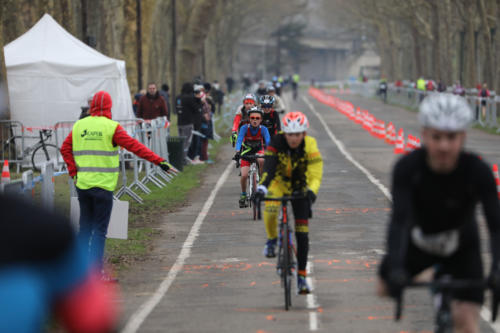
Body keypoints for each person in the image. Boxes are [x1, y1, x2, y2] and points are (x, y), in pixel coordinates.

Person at [377, 93, 500, 332]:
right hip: (420, 241)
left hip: (462, 246)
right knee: (382, 287)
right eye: (437, 137)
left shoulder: (479, 171)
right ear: (424, 134)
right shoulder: (407, 168)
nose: (444, 145)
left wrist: (497, 269)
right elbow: (399, 222)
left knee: (465, 321)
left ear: (463, 136)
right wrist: (395, 267)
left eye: (451, 137)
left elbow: (496, 225)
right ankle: (429, 275)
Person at [61, 91, 177, 272]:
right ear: (109, 107)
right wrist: (160, 161)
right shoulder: (111, 127)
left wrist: (74, 173)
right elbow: (136, 147)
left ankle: (78, 272)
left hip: (82, 186)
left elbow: (65, 149)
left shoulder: (79, 126)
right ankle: (95, 273)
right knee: (100, 231)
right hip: (103, 187)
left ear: (92, 107)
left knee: (84, 230)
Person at [0, 193, 119, 333]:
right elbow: (94, 318)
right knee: (97, 229)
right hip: (101, 189)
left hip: (84, 186)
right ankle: (98, 268)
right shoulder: (43, 227)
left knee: (85, 226)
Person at [254, 111, 323, 294]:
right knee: (270, 209)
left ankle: (301, 277)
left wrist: (311, 191)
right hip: (279, 183)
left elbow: (315, 171)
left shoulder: (310, 145)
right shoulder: (276, 142)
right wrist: (262, 188)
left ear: (304, 134)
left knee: (302, 235)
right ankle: (272, 239)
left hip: (300, 186)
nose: (293, 138)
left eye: (297, 134)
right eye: (290, 134)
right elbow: (268, 167)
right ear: (284, 134)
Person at [234, 106, 270, 208]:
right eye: (252, 118)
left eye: (257, 118)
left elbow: (268, 142)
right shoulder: (244, 128)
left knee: (261, 160)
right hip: (247, 151)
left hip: (259, 150)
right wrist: (237, 152)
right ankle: (244, 194)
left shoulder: (264, 129)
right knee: (244, 175)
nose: (255, 120)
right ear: (249, 119)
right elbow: (239, 140)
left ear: (261, 120)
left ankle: (262, 181)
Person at [176, 83, 197, 163]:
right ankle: (183, 158)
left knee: (181, 140)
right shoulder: (190, 98)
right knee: (187, 141)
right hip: (188, 122)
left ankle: (180, 156)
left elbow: (177, 109)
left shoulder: (178, 97)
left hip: (179, 122)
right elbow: (195, 108)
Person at [187, 85, 204, 164]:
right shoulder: (193, 101)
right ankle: (192, 157)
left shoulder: (199, 101)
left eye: (199, 93)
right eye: (197, 93)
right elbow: (196, 110)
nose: (198, 95)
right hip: (194, 124)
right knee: (194, 141)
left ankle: (196, 156)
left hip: (198, 124)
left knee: (197, 141)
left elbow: (200, 110)